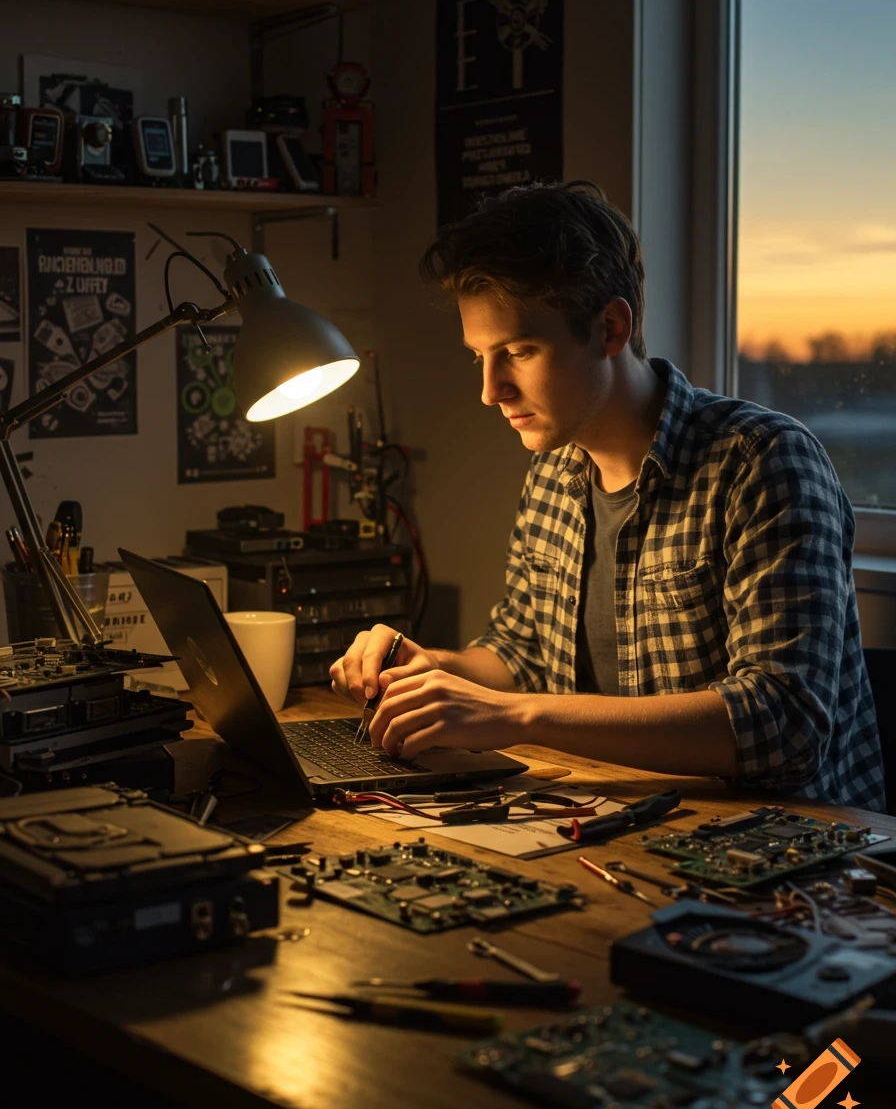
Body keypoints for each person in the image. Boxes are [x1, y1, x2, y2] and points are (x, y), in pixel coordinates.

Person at [329, 181, 885, 811]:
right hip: (616, 825)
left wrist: (515, 716)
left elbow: (784, 726)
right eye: (481, 356)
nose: (490, 390)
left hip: (789, 860)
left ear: (611, 327)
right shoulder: (554, 470)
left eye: (518, 351)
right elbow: (519, 655)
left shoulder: (762, 461)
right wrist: (430, 670)